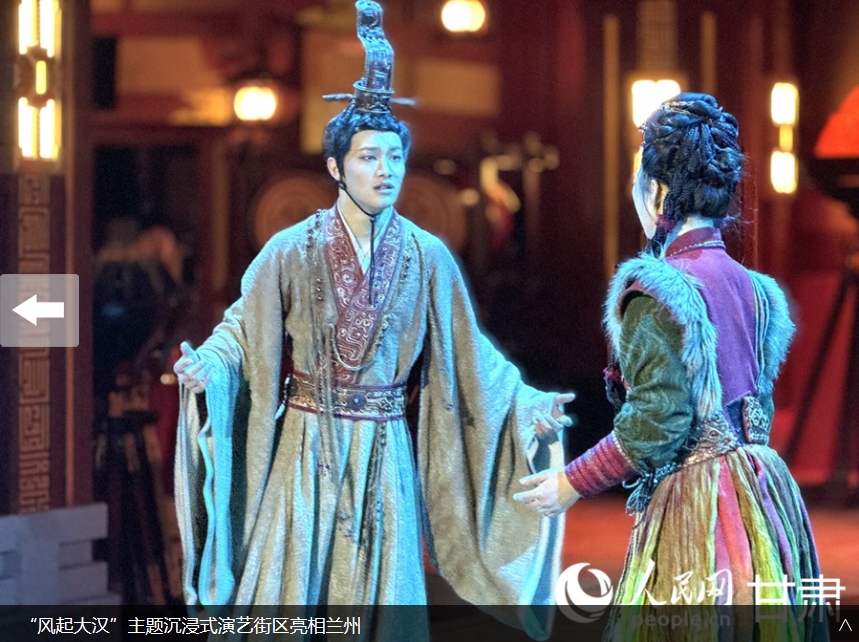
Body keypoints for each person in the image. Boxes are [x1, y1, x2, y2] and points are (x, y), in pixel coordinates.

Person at [173, 2, 572, 639]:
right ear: (335, 167)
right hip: (306, 445)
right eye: (367, 158)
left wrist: (528, 406)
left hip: (385, 451)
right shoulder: (289, 250)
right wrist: (209, 368)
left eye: (394, 157)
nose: (385, 171)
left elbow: (471, 355)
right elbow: (242, 332)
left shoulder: (427, 256)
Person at [515, 93, 823, 639]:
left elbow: (657, 419)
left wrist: (572, 482)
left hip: (699, 504)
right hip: (762, 494)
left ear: (657, 190)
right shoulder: (753, 288)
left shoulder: (659, 290)